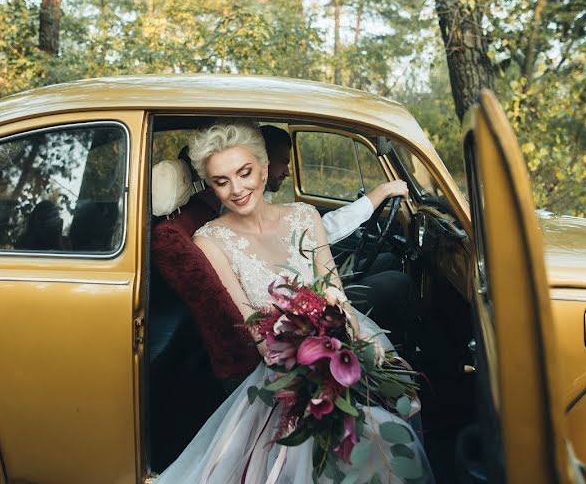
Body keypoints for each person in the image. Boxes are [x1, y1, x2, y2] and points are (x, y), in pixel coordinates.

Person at [154, 121, 433, 484]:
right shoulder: (210, 241)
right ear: (211, 186)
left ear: (264, 167)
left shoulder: (306, 217)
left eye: (245, 173)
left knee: (390, 434)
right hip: (284, 365)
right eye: (222, 182)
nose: (237, 189)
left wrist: (355, 343)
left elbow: (338, 295)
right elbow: (253, 326)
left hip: (343, 341)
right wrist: (312, 370)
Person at [260, 125, 416, 348]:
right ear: (263, 161)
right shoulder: (249, 213)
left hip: (312, 287)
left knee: (390, 260)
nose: (287, 171)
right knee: (401, 283)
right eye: (283, 161)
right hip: (307, 307)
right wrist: (381, 192)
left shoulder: (265, 204)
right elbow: (322, 230)